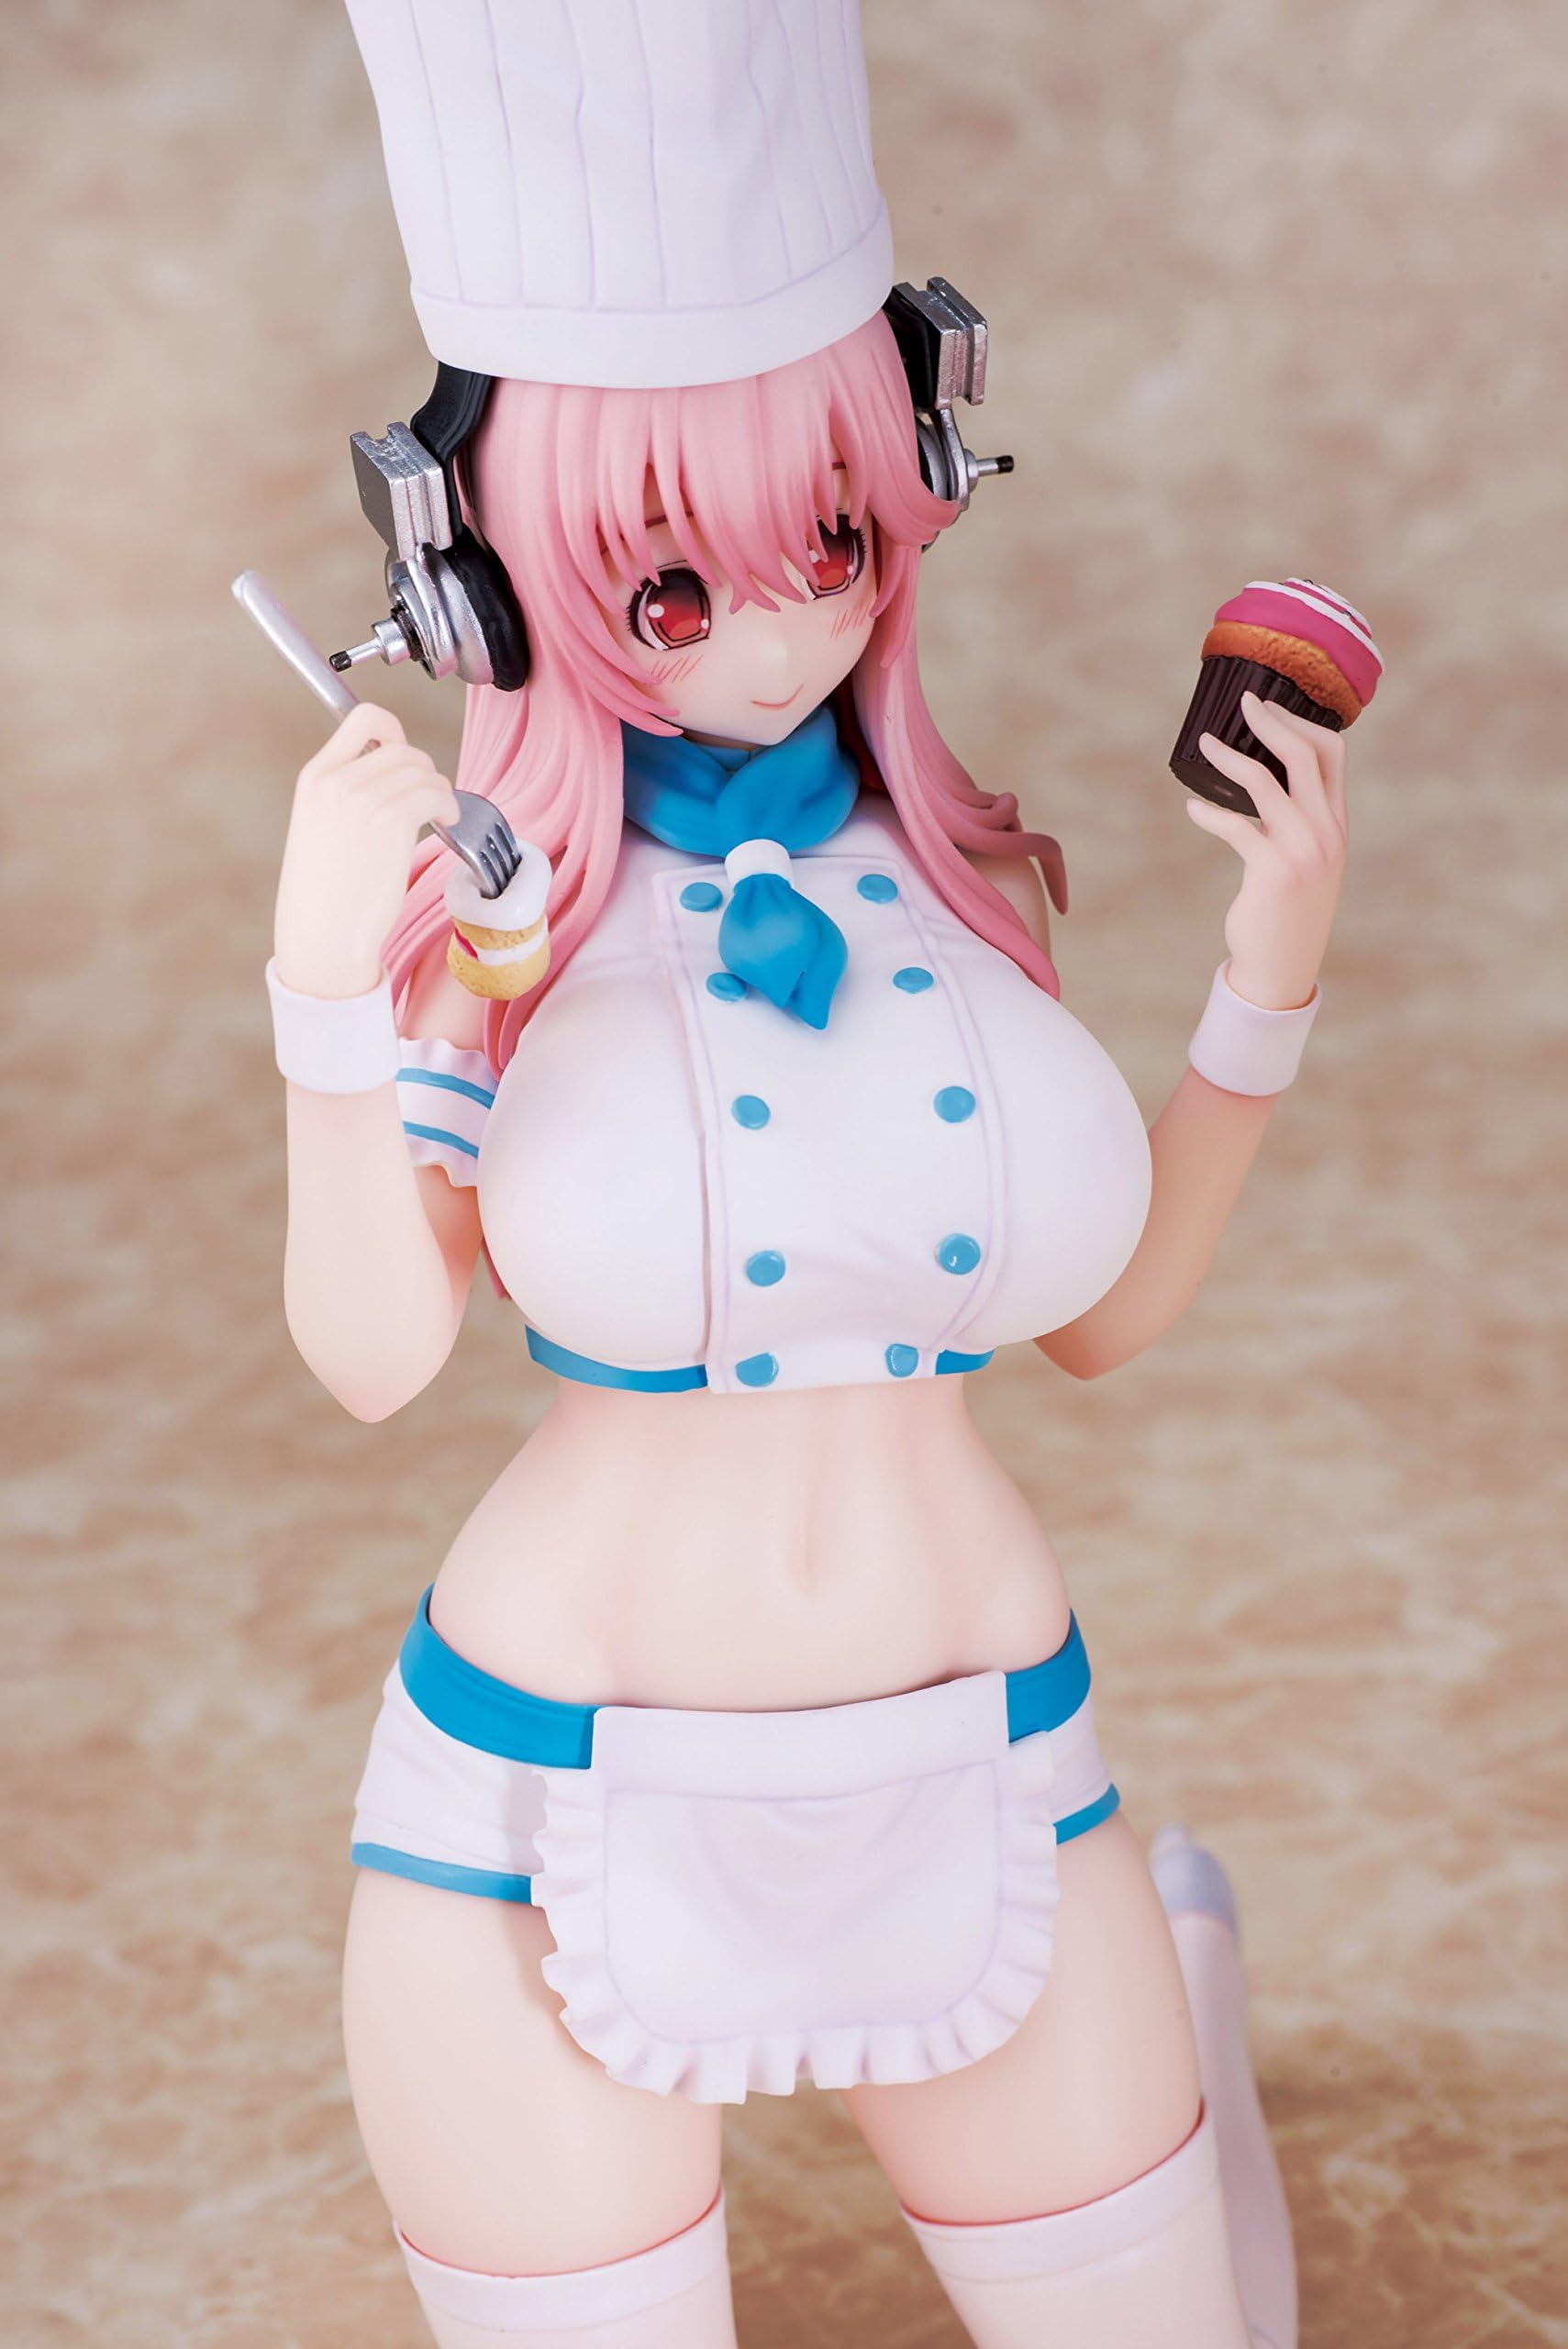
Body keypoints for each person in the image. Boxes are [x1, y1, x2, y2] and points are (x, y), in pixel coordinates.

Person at [261, 8, 1347, 2343]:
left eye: (837, 536)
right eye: (674, 585)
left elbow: (1099, 1318)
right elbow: (370, 1359)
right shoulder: (495, 929)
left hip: (989, 1764)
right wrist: (319, 1003)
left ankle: (1188, 2008)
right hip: (540, 1816)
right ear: (476, 581)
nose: (783, 623)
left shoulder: (956, 882)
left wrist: (1269, 975)